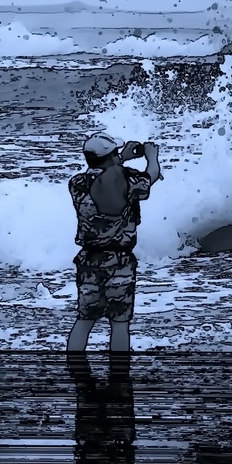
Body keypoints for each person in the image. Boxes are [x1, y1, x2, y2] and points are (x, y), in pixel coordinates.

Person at [67, 133, 161, 354]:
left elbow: (105, 177)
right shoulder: (128, 181)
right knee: (119, 324)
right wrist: (152, 157)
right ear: (110, 157)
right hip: (119, 260)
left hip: (88, 259)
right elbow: (151, 176)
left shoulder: (76, 183)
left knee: (84, 320)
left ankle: (74, 371)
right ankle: (119, 376)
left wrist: (121, 159)